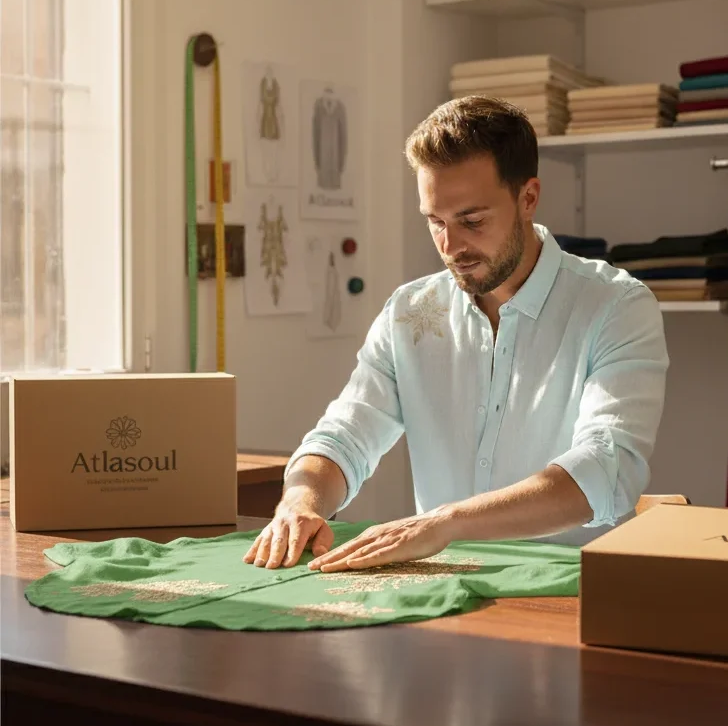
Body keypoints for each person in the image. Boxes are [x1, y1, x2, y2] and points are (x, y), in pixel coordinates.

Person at [244, 96, 668, 572]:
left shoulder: (616, 307)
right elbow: (344, 436)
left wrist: (445, 523)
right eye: (435, 222)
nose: (451, 246)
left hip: (570, 594)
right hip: (439, 594)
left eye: (472, 221)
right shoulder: (410, 313)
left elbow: (605, 470)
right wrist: (299, 502)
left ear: (528, 198)